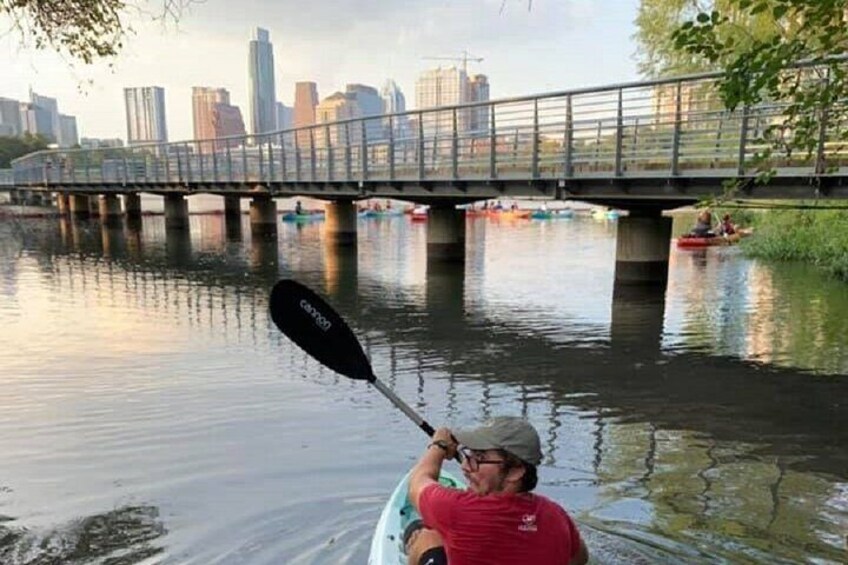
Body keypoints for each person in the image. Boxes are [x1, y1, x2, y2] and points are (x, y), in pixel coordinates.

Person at [407, 416, 589, 565]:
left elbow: (417, 482)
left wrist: (439, 445)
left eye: (479, 458)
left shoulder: (458, 509)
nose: (464, 466)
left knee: (426, 536)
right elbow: (579, 558)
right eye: (469, 455)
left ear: (515, 472)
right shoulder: (557, 515)